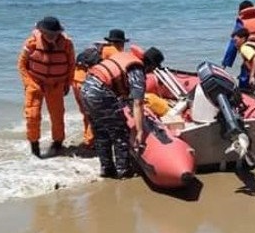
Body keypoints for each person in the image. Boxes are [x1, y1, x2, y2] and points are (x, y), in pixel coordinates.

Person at [81, 46, 165, 178]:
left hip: (86, 88)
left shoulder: (125, 57)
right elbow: (138, 103)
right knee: (120, 132)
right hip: (100, 92)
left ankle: (107, 169)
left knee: (101, 132)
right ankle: (123, 171)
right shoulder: (137, 70)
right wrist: (140, 131)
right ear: (151, 65)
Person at [17, 16, 75, 158]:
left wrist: (68, 83)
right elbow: (21, 65)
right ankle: (34, 147)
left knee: (57, 115)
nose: (51, 36)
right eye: (48, 34)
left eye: (54, 34)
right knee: (32, 115)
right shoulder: (31, 43)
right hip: (35, 82)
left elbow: (71, 65)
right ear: (41, 31)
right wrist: (30, 84)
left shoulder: (67, 44)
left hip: (56, 84)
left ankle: (57, 143)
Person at [70, 30, 130, 149]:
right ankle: (91, 144)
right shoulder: (115, 51)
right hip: (88, 83)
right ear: (121, 43)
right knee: (95, 115)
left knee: (86, 113)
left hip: (76, 80)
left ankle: (89, 141)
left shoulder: (98, 48)